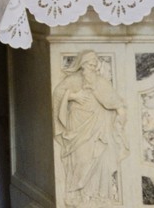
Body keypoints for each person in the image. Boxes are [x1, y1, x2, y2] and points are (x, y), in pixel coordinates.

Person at [53, 50, 126, 206]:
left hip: (98, 125)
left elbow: (113, 99)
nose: (92, 68)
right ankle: (75, 193)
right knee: (80, 159)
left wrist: (121, 113)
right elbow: (57, 94)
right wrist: (73, 96)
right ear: (82, 64)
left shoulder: (100, 82)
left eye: (94, 65)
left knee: (98, 158)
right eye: (90, 65)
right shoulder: (73, 80)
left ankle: (95, 195)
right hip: (77, 125)